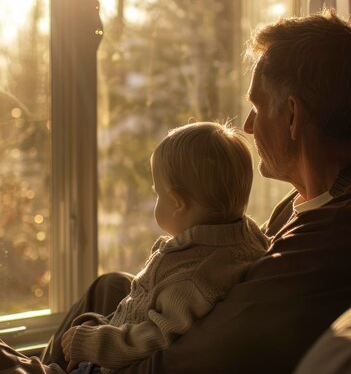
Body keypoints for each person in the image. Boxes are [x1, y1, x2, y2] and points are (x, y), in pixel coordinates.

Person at [0, 9, 351, 374]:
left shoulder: (341, 239)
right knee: (111, 288)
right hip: (149, 348)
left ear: (292, 116)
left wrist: (96, 348)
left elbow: (193, 358)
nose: (248, 128)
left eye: (257, 107)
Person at [61, 122, 268, 374]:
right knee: (105, 288)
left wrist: (93, 343)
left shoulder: (191, 277)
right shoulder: (248, 237)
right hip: (112, 339)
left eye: (158, 194)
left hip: (112, 365)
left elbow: (155, 336)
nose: (155, 200)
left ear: (179, 203)